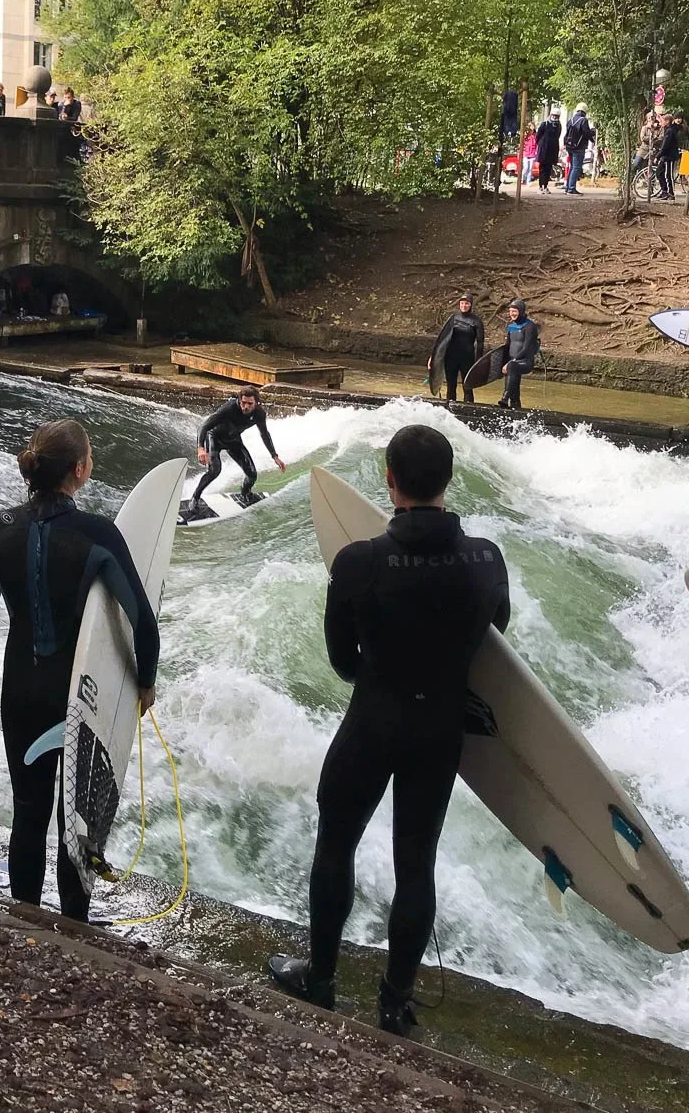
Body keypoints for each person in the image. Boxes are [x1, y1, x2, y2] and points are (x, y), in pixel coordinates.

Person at [268, 424, 510, 1037]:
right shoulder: (487, 560)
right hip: (439, 729)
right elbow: (496, 640)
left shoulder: (359, 562)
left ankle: (319, 978)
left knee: (336, 842)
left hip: (374, 721)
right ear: (448, 481)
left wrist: (378, 676)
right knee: (416, 865)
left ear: (390, 480)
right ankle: (395, 1003)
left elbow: (341, 658)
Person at [0, 419, 160, 921]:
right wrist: (145, 681)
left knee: (28, 812)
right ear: (79, 470)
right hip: (81, 694)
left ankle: (25, 917)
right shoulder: (96, 533)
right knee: (75, 819)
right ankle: (73, 923)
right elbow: (141, 618)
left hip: (23, 691)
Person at [188, 385, 286, 512]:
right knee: (215, 470)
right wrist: (200, 448)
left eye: (250, 404)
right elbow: (204, 426)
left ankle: (245, 494)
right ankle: (195, 498)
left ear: (256, 403)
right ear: (239, 400)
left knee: (252, 475)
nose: (245, 407)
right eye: (243, 403)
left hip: (233, 440)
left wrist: (274, 456)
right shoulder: (229, 408)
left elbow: (264, 434)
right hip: (214, 438)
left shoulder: (259, 414)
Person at [428, 292, 484, 404]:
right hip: (451, 357)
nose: (464, 306)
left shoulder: (476, 321)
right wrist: (433, 357)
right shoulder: (453, 318)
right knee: (451, 385)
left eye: (466, 303)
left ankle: (469, 408)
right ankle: (450, 408)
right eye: (462, 303)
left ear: (471, 305)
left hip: (467, 358)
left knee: (467, 386)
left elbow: (480, 343)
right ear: (459, 305)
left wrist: (478, 362)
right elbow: (442, 340)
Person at [497, 298, 541, 410]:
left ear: (521, 312)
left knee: (512, 367)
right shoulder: (511, 327)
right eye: (511, 311)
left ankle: (504, 397)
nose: (512, 314)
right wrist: (502, 362)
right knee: (514, 392)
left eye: (515, 311)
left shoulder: (530, 326)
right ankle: (515, 410)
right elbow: (507, 346)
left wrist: (512, 361)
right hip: (512, 363)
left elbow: (526, 348)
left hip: (525, 361)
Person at [563, 102, 592, 194]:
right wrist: (593, 133)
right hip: (579, 147)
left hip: (569, 146)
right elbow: (586, 133)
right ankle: (571, 188)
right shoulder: (583, 120)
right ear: (585, 111)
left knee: (572, 167)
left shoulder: (571, 120)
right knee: (576, 167)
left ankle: (568, 187)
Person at [655, 113, 683, 201]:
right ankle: (664, 191)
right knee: (659, 172)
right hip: (665, 155)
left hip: (669, 156)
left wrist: (658, 156)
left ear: (667, 121)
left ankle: (670, 193)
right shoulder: (667, 130)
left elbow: (665, 145)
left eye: (662, 121)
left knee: (668, 175)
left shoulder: (670, 131)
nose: (661, 123)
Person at [534, 108, 562, 192]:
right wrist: (541, 145)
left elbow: (558, 136)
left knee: (549, 169)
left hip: (552, 150)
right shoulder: (544, 124)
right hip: (543, 150)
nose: (554, 117)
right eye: (553, 115)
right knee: (542, 169)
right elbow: (538, 136)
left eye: (556, 116)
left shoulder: (558, 125)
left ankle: (545, 186)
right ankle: (540, 186)